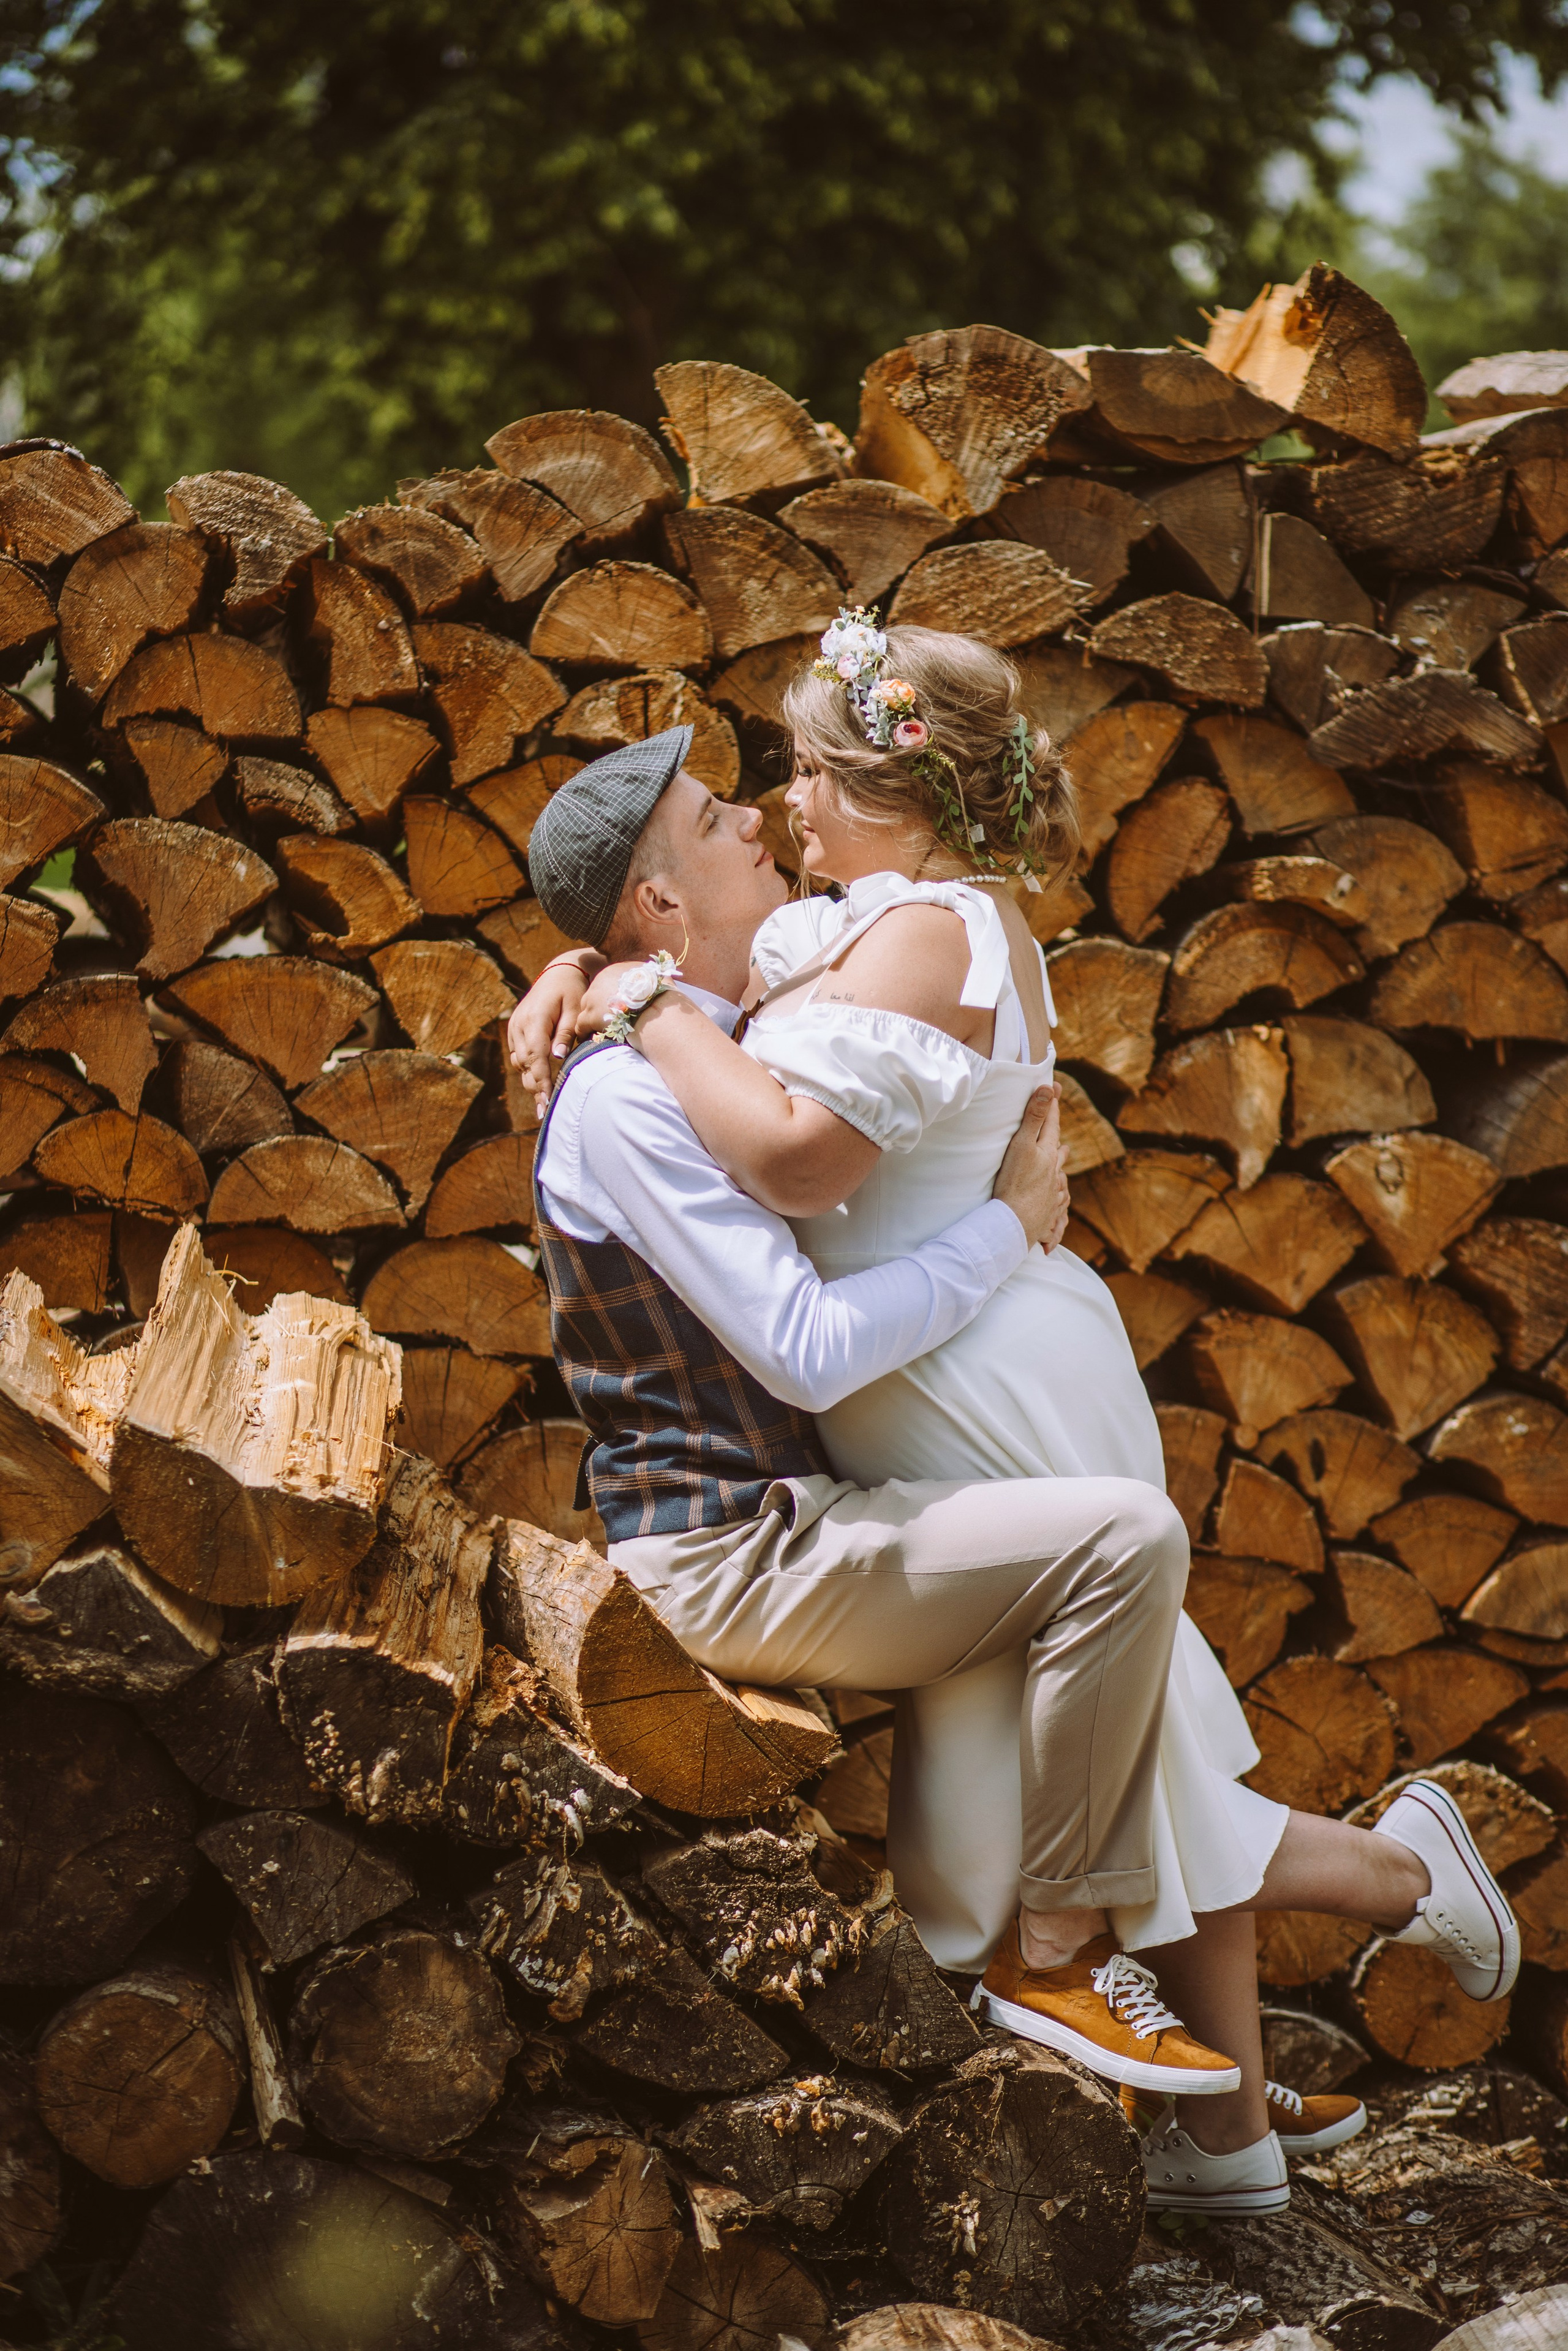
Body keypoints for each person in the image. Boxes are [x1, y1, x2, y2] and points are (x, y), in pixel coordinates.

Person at [513, 666, 1517, 2216]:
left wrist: (623, 978)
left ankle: (1223, 2049)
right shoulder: (737, 992)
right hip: (853, 1434)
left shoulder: (889, 938)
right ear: (663, 891)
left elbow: (764, 1100)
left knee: (1144, 1710)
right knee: (1141, 1722)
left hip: (967, 1381)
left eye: (784, 780)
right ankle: (1240, 2099)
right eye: (730, 809)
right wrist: (596, 972)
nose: (769, 812)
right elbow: (752, 1135)